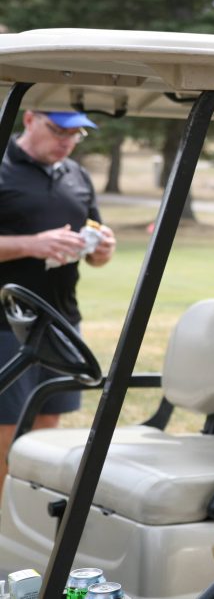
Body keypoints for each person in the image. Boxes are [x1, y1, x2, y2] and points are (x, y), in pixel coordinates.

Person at [0, 110, 116, 493]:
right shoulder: (3, 164)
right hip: (5, 322)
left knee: (48, 422)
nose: (67, 140)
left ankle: (24, 512)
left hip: (62, 320)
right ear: (30, 118)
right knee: (6, 427)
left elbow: (95, 244)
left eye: (77, 133)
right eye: (58, 130)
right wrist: (30, 245)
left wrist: (101, 252)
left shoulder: (77, 176)